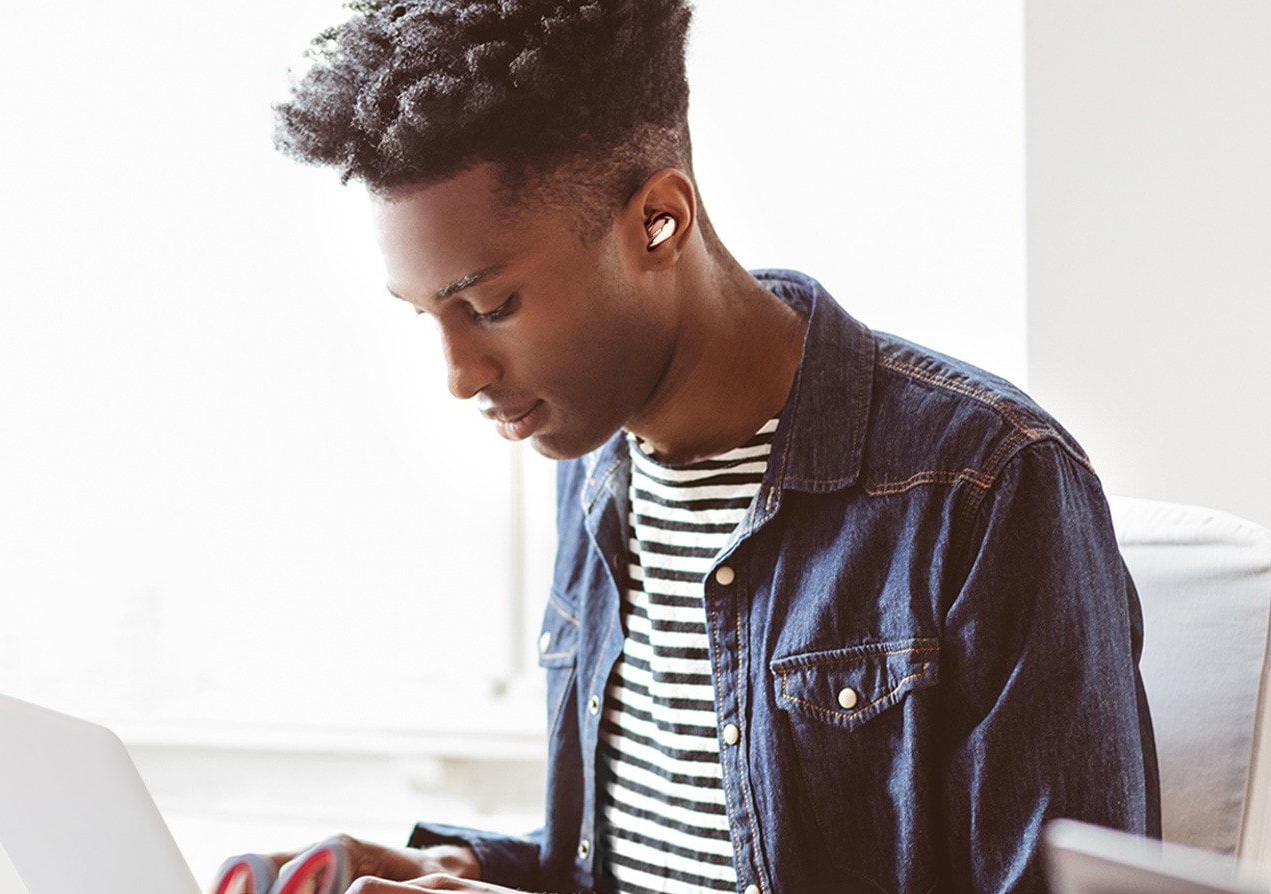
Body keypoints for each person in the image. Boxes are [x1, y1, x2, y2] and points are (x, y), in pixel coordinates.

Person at [240, 1, 1160, 893]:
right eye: (425, 316)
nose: (460, 375)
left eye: (490, 308)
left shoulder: (986, 484)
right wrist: (467, 870)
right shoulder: (596, 467)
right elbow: (658, 859)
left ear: (657, 222)